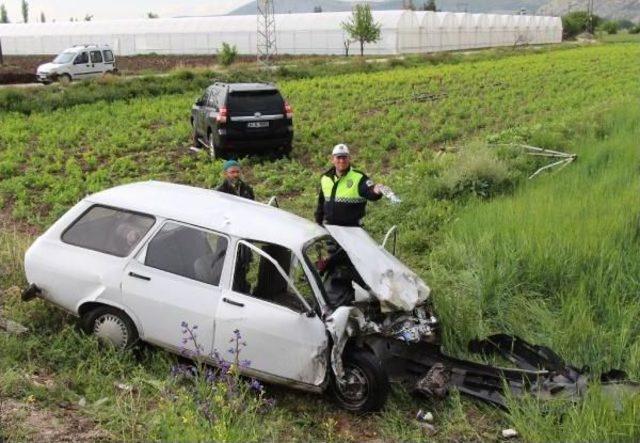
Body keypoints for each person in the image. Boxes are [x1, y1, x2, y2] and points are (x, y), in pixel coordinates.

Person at [315, 143, 383, 227]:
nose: (342, 161)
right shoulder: (325, 178)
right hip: (331, 228)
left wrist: (376, 191)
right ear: (332, 159)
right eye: (338, 157)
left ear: (349, 159)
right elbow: (321, 203)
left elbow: (370, 193)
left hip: (352, 229)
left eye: (344, 157)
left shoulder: (359, 177)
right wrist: (318, 223)